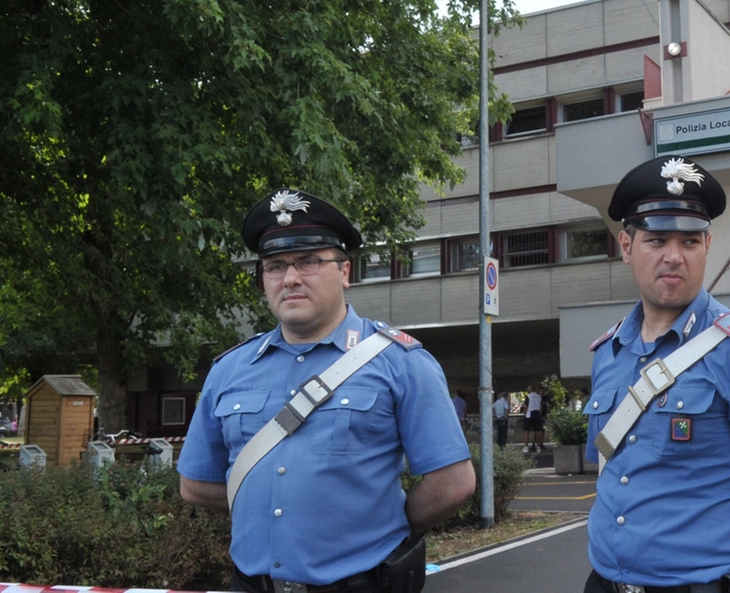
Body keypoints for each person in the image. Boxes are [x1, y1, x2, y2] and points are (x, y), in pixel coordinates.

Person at [177, 189, 475, 593]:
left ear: (345, 272)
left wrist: (375, 521)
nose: (291, 278)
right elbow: (195, 484)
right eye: (275, 266)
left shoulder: (401, 363)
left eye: (309, 261)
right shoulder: (229, 370)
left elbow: (452, 483)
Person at [582, 157, 730, 592]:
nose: (674, 256)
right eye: (656, 240)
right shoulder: (609, 352)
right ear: (626, 246)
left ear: (707, 246)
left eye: (689, 241)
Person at [523, 385, 545, 453]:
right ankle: (538, 447)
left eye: (528, 388)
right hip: (537, 414)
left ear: (530, 389)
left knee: (527, 432)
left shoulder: (528, 396)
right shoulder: (539, 397)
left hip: (529, 414)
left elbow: (526, 407)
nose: (527, 389)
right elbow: (541, 407)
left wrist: (524, 414)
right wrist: (539, 414)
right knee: (537, 431)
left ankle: (526, 447)